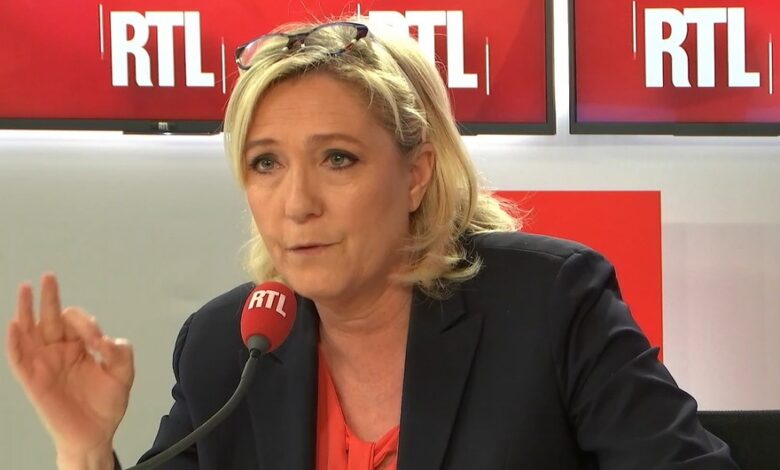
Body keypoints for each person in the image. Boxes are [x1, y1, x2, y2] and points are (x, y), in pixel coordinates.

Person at [5, 18, 739, 470]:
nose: (297, 203)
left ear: (416, 174)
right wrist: (84, 449)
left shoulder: (549, 305)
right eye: (265, 164)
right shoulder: (228, 347)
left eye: (338, 159)